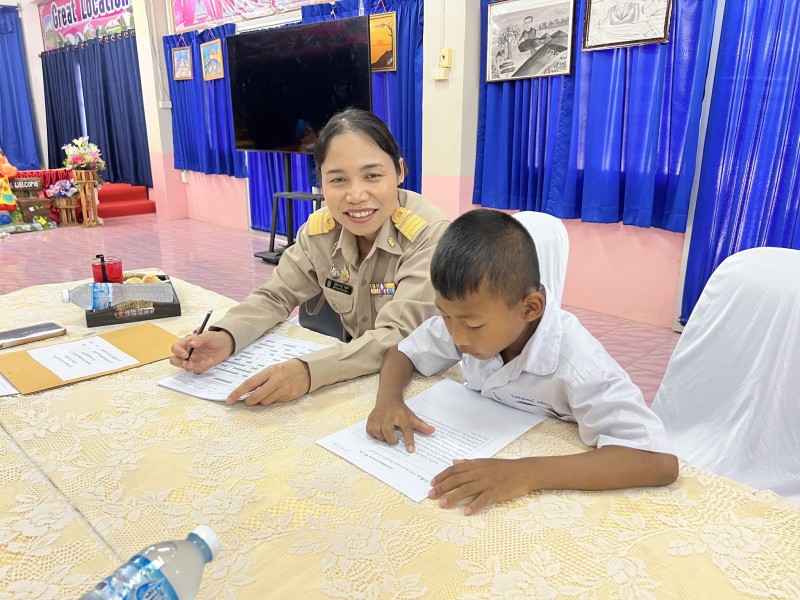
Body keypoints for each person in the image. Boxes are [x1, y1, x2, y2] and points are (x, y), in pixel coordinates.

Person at [366, 209, 678, 515]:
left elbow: (658, 461)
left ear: (529, 308)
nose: (456, 336)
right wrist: (388, 400)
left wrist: (526, 473)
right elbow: (403, 352)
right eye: (445, 316)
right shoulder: (465, 317)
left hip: (550, 487)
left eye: (472, 325)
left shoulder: (581, 365)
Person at [170, 109, 449, 406]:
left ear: (400, 172)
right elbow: (275, 295)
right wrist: (227, 335)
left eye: (373, 176)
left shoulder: (428, 236)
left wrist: (308, 371)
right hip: (355, 374)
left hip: (422, 386)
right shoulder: (320, 232)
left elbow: (399, 335)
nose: (356, 195)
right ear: (321, 183)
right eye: (338, 179)